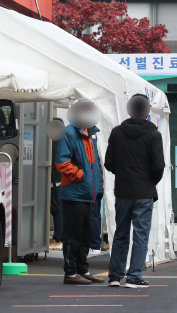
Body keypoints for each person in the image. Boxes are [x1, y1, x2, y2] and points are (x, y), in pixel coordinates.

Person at [105, 94, 165, 288]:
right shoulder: (154, 134)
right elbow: (158, 166)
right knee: (141, 235)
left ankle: (115, 276)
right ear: (147, 111)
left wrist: (123, 174)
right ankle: (134, 276)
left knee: (121, 233)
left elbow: (109, 163)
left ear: (130, 110)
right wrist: (149, 181)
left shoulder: (116, 132)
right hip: (144, 191)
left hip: (123, 190)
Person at [55, 99, 105, 285]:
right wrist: (82, 176)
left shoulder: (92, 134)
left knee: (86, 233)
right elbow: (62, 162)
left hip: (88, 194)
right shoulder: (68, 133)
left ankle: (83, 270)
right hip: (74, 193)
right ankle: (70, 272)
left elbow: (95, 164)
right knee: (72, 234)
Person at [50, 118, 64, 245]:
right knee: (58, 209)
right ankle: (60, 235)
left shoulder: (55, 140)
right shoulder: (64, 138)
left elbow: (54, 158)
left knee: (56, 209)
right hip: (60, 178)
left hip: (55, 179)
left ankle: (58, 237)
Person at [90, 161, 104, 256]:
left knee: (93, 216)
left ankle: (94, 245)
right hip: (99, 187)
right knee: (96, 216)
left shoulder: (91, 151)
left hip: (93, 187)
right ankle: (95, 244)